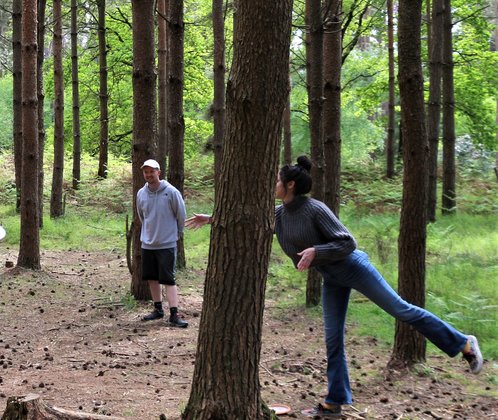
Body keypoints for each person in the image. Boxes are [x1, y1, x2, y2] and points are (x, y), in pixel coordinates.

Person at [185, 156, 484, 417]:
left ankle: (463, 343)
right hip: (333, 278)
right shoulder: (279, 213)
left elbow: (347, 241)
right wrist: (212, 218)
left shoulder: (315, 209)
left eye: (277, 179)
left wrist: (317, 251)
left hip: (354, 267)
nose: (274, 184)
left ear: (290, 185)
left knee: (400, 309)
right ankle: (335, 401)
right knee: (333, 339)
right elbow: (251, 220)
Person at [136, 159, 189, 328]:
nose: (149, 175)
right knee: (152, 278)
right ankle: (158, 309)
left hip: (166, 243)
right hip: (148, 243)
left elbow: (181, 215)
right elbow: (142, 216)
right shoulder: (141, 193)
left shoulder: (171, 192)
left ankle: (174, 314)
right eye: (146, 172)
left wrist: (176, 234)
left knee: (168, 279)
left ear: (159, 172)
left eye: (152, 171)